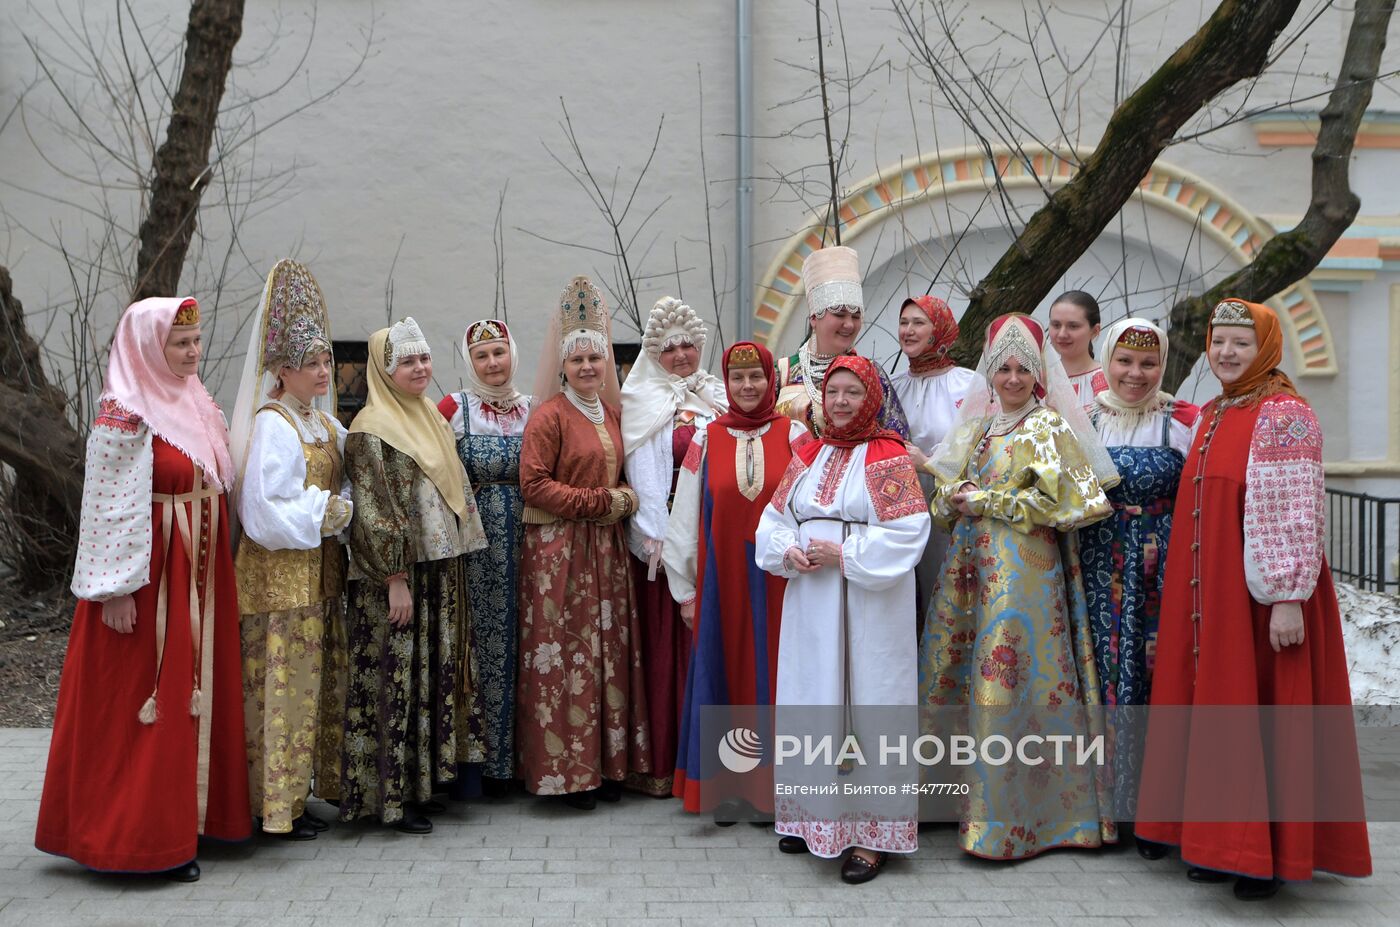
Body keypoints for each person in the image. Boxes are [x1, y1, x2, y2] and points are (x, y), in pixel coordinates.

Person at [1135, 299, 1372, 900]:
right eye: (1219, 342)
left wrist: (1288, 597)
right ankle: (1219, 843)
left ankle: (1262, 856)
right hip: (1211, 598)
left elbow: (1293, 509)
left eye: (1241, 342)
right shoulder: (1215, 411)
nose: (1226, 353)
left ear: (1265, 346)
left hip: (1263, 599)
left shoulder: (1284, 413)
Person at [36, 297, 250, 882]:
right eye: (180, 344)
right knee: (146, 704)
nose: (193, 352)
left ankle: (200, 816)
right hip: (148, 580)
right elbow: (105, 507)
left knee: (195, 692)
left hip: (199, 576)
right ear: (148, 347)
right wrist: (115, 592)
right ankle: (140, 839)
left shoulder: (195, 401)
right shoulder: (125, 412)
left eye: (197, 341)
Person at [919, 312, 1120, 861]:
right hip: (968, 571)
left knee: (1008, 680)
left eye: (1022, 369)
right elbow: (941, 503)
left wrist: (989, 501)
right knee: (954, 672)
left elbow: (1077, 504)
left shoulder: (1048, 427)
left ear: (1039, 374)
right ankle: (950, 802)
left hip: (1024, 575)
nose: (1011, 379)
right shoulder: (980, 427)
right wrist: (954, 496)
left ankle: (1018, 820)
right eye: (1002, 369)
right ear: (989, 373)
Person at [756, 356, 931, 884]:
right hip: (812, 601)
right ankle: (812, 818)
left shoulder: (889, 456)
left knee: (871, 704)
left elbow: (910, 532)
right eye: (833, 391)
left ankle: (870, 837)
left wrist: (846, 552)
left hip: (870, 605)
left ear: (872, 397)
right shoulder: (807, 454)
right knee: (814, 697)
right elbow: (772, 521)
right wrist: (789, 550)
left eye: (853, 392)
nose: (840, 402)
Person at [340, 318, 488, 834]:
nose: (420, 368)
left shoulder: (428, 417)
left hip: (437, 573)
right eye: (407, 361)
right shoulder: (372, 429)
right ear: (384, 371)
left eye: (424, 358)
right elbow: (376, 513)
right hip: (395, 583)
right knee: (393, 680)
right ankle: (389, 799)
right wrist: (394, 577)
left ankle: (420, 787)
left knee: (427, 678)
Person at [517, 275, 652, 811]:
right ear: (563, 367)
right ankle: (566, 774)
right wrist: (606, 502)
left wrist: (622, 498)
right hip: (559, 554)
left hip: (606, 553)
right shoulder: (548, 416)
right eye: (578, 362)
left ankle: (608, 764)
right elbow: (533, 484)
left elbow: (627, 477)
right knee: (566, 657)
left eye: (596, 359)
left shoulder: (614, 416)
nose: (589, 369)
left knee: (607, 653)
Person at [229, 260, 351, 840]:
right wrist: (325, 514)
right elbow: (263, 509)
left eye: (326, 360)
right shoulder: (275, 424)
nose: (324, 371)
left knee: (312, 686)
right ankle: (273, 806)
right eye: (312, 363)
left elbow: (347, 472)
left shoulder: (320, 423)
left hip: (317, 574)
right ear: (282, 370)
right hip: (280, 579)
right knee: (279, 690)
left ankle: (305, 791)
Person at [664, 341, 810, 817]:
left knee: (779, 677)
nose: (748, 387)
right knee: (724, 672)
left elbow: (814, 509)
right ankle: (731, 787)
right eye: (738, 378)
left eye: (757, 377)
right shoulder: (707, 439)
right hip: (721, 584)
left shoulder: (796, 435)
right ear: (726, 383)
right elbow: (685, 516)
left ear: (772, 380)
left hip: (782, 584)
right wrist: (685, 590)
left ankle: (779, 790)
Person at [1076, 318, 1198, 822]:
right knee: (1100, 672)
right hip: (1097, 565)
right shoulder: (1083, 421)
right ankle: (1101, 802)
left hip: (1161, 571)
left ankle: (1153, 805)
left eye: (1148, 363)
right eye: (1124, 361)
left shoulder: (1182, 422)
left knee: (1156, 673)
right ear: (1107, 362)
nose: (1136, 372)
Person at [620, 296, 727, 796]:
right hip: (668, 545)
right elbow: (642, 475)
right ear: (654, 353)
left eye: (689, 344)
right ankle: (667, 763)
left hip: (717, 537)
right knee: (671, 652)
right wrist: (657, 541)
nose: (682, 355)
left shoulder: (717, 394)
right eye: (670, 347)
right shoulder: (642, 399)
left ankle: (719, 763)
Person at [438, 319, 534, 797]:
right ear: (469, 362)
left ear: (512, 354)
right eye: (482, 356)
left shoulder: (534, 410)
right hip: (474, 546)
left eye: (499, 353)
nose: (492, 364)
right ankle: (478, 766)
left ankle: (521, 761)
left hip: (531, 542)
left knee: (527, 643)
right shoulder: (454, 409)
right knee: (479, 645)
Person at [889, 295, 978, 621]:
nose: (908, 331)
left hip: (951, 509)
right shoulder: (891, 387)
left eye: (918, 323)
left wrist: (928, 462)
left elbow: (979, 451)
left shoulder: (968, 385)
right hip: (900, 507)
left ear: (938, 330)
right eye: (903, 323)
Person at [775, 245, 908, 439]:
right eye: (839, 314)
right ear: (814, 317)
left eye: (856, 316)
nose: (849, 324)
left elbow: (896, 440)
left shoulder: (871, 374)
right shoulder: (782, 373)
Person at [1048, 290, 1106, 408]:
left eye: (1073, 326)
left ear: (1095, 331)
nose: (1062, 334)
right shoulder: (1040, 380)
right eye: (1056, 325)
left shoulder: (1109, 379)